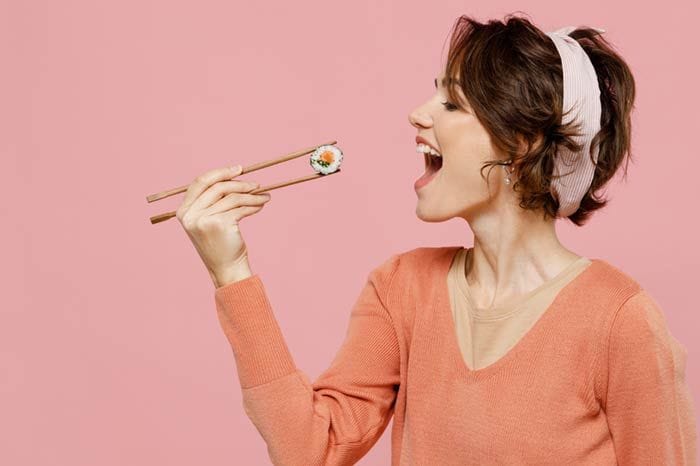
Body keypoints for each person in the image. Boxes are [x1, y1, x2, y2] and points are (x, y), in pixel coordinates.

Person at [176, 13, 697, 465]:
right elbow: (310, 449)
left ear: (521, 142)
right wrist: (232, 271)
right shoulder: (401, 288)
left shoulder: (620, 321)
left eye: (451, 104)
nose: (418, 114)